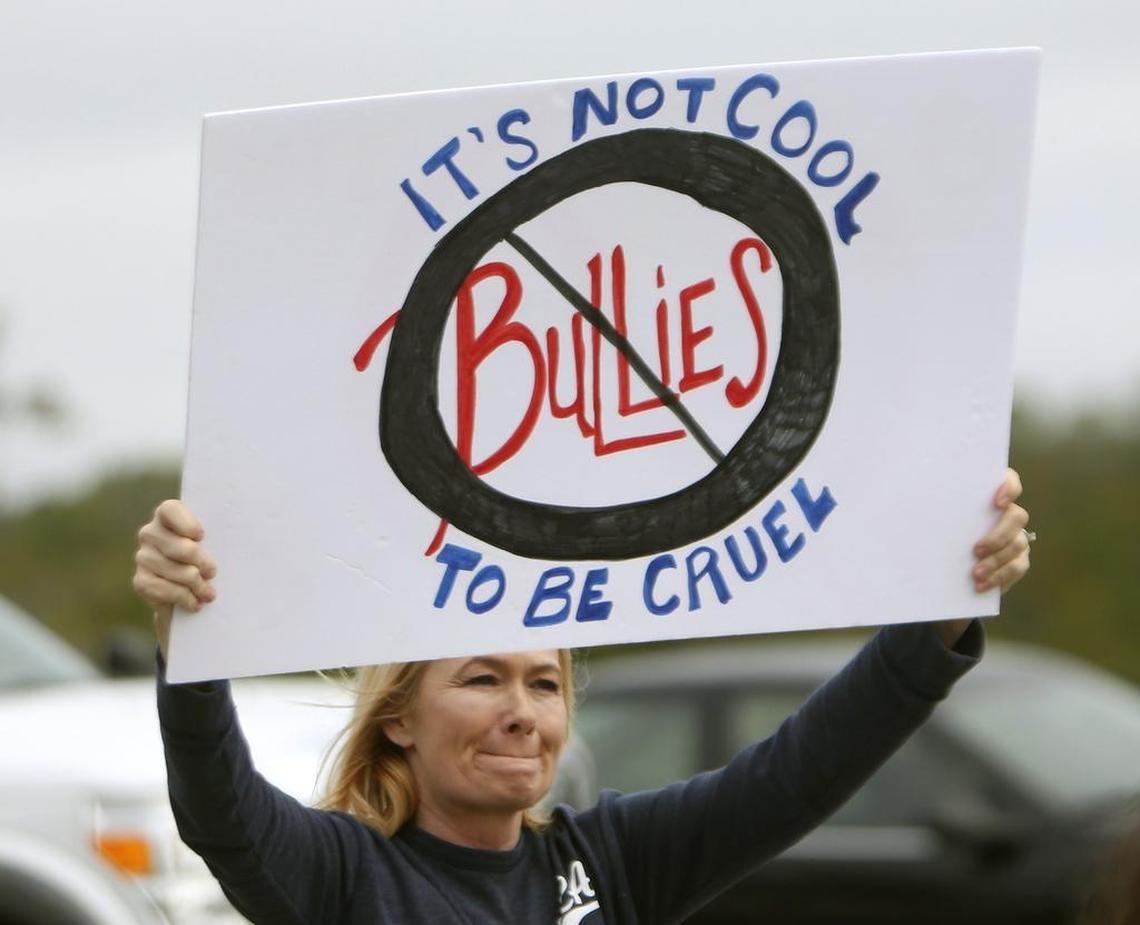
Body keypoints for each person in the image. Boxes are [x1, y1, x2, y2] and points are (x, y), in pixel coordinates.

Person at [133, 470, 1032, 925]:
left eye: (545, 682)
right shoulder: (342, 873)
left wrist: (941, 616)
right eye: (483, 677)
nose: (523, 710)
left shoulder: (613, 860)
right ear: (399, 716)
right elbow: (223, 811)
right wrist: (190, 637)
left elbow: (802, 770)